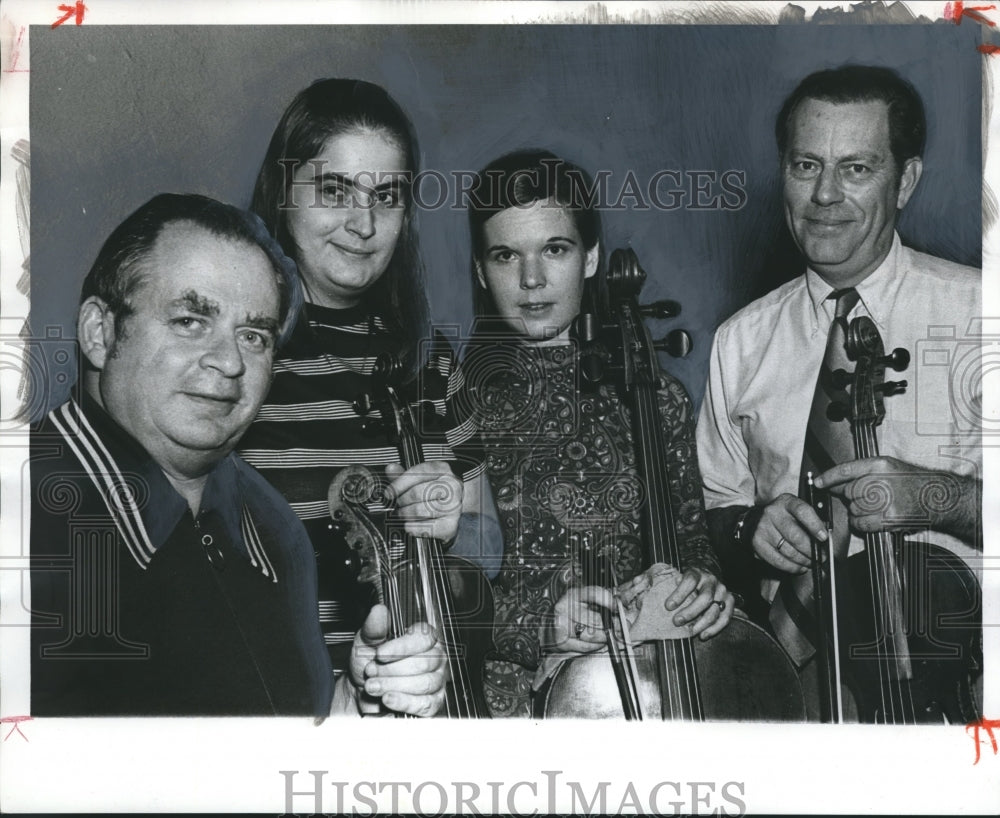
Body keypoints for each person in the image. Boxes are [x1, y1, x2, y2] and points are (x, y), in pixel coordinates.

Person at [30, 193, 447, 717]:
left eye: (253, 336)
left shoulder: (274, 526)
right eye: (190, 321)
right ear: (100, 332)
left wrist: (355, 704)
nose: (229, 361)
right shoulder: (22, 521)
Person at [696, 66, 982, 715]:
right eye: (805, 165)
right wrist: (753, 528)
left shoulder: (980, 314)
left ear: (904, 180)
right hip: (794, 676)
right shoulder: (740, 341)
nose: (825, 194)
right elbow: (718, 508)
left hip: (958, 688)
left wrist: (938, 497)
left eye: (856, 168)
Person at [238, 79, 502, 677]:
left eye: (387, 196)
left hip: (420, 690)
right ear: (285, 192)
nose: (364, 223)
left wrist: (455, 524)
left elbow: (491, 550)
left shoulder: (428, 359)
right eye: (335, 190)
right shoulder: (237, 352)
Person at [465, 150, 734, 718]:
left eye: (555, 250)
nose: (532, 279)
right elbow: (444, 588)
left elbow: (690, 536)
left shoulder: (656, 398)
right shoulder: (455, 405)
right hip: (506, 707)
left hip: (645, 689)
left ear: (590, 259)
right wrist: (539, 624)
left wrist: (703, 584)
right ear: (480, 270)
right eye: (506, 255)